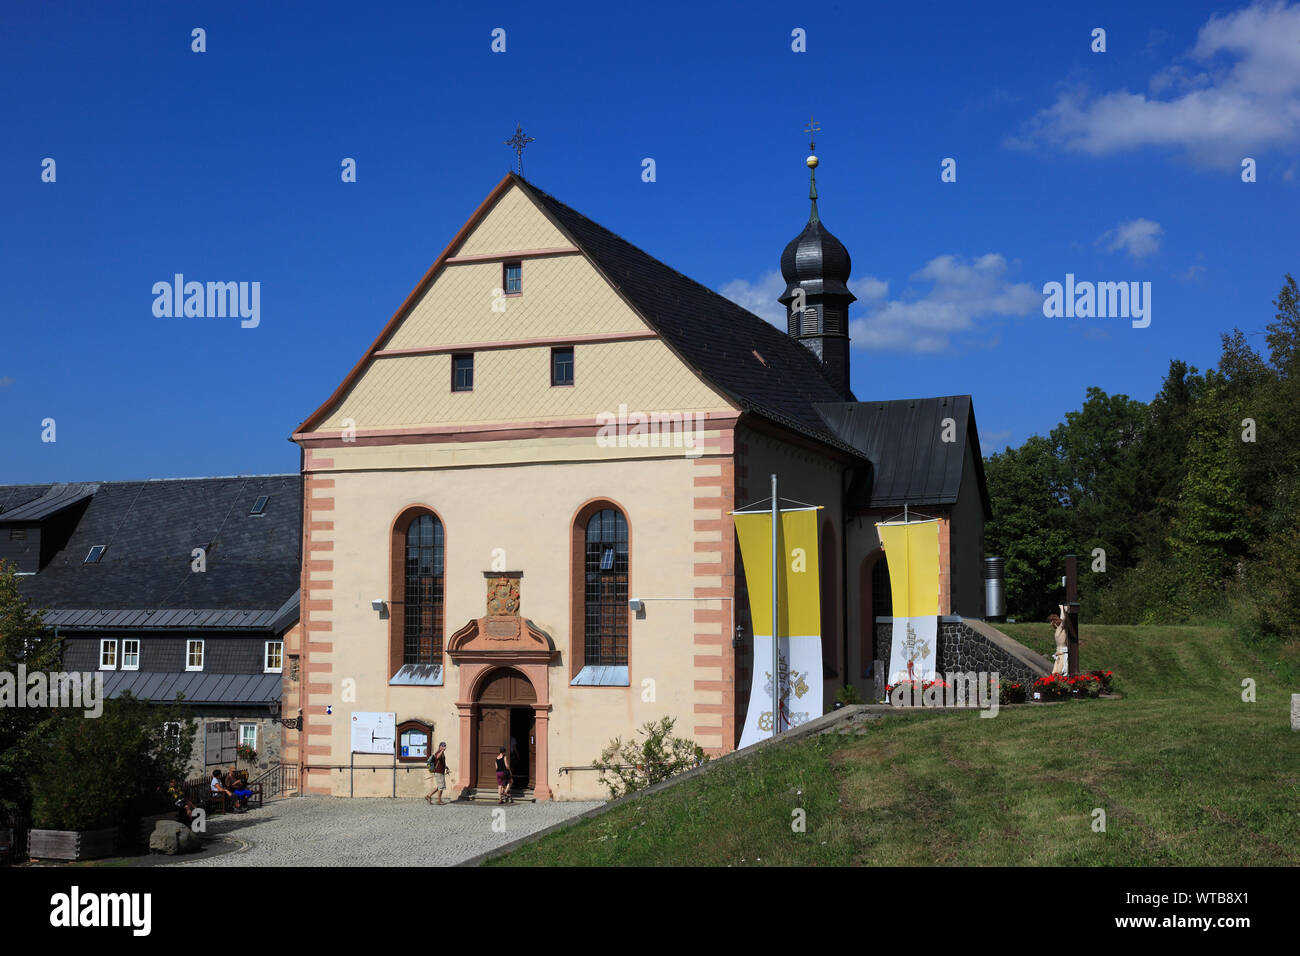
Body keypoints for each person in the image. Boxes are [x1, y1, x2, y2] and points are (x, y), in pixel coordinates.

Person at [425, 741, 448, 806]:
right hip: (438, 772)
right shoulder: (439, 752)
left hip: (441, 771)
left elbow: (441, 762)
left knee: (439, 786)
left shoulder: (442, 753)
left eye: (445, 746)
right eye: (443, 746)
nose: (444, 747)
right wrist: (442, 751)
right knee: (441, 787)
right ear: (440, 746)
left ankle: (428, 796)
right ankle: (439, 800)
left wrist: (446, 767)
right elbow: (437, 757)